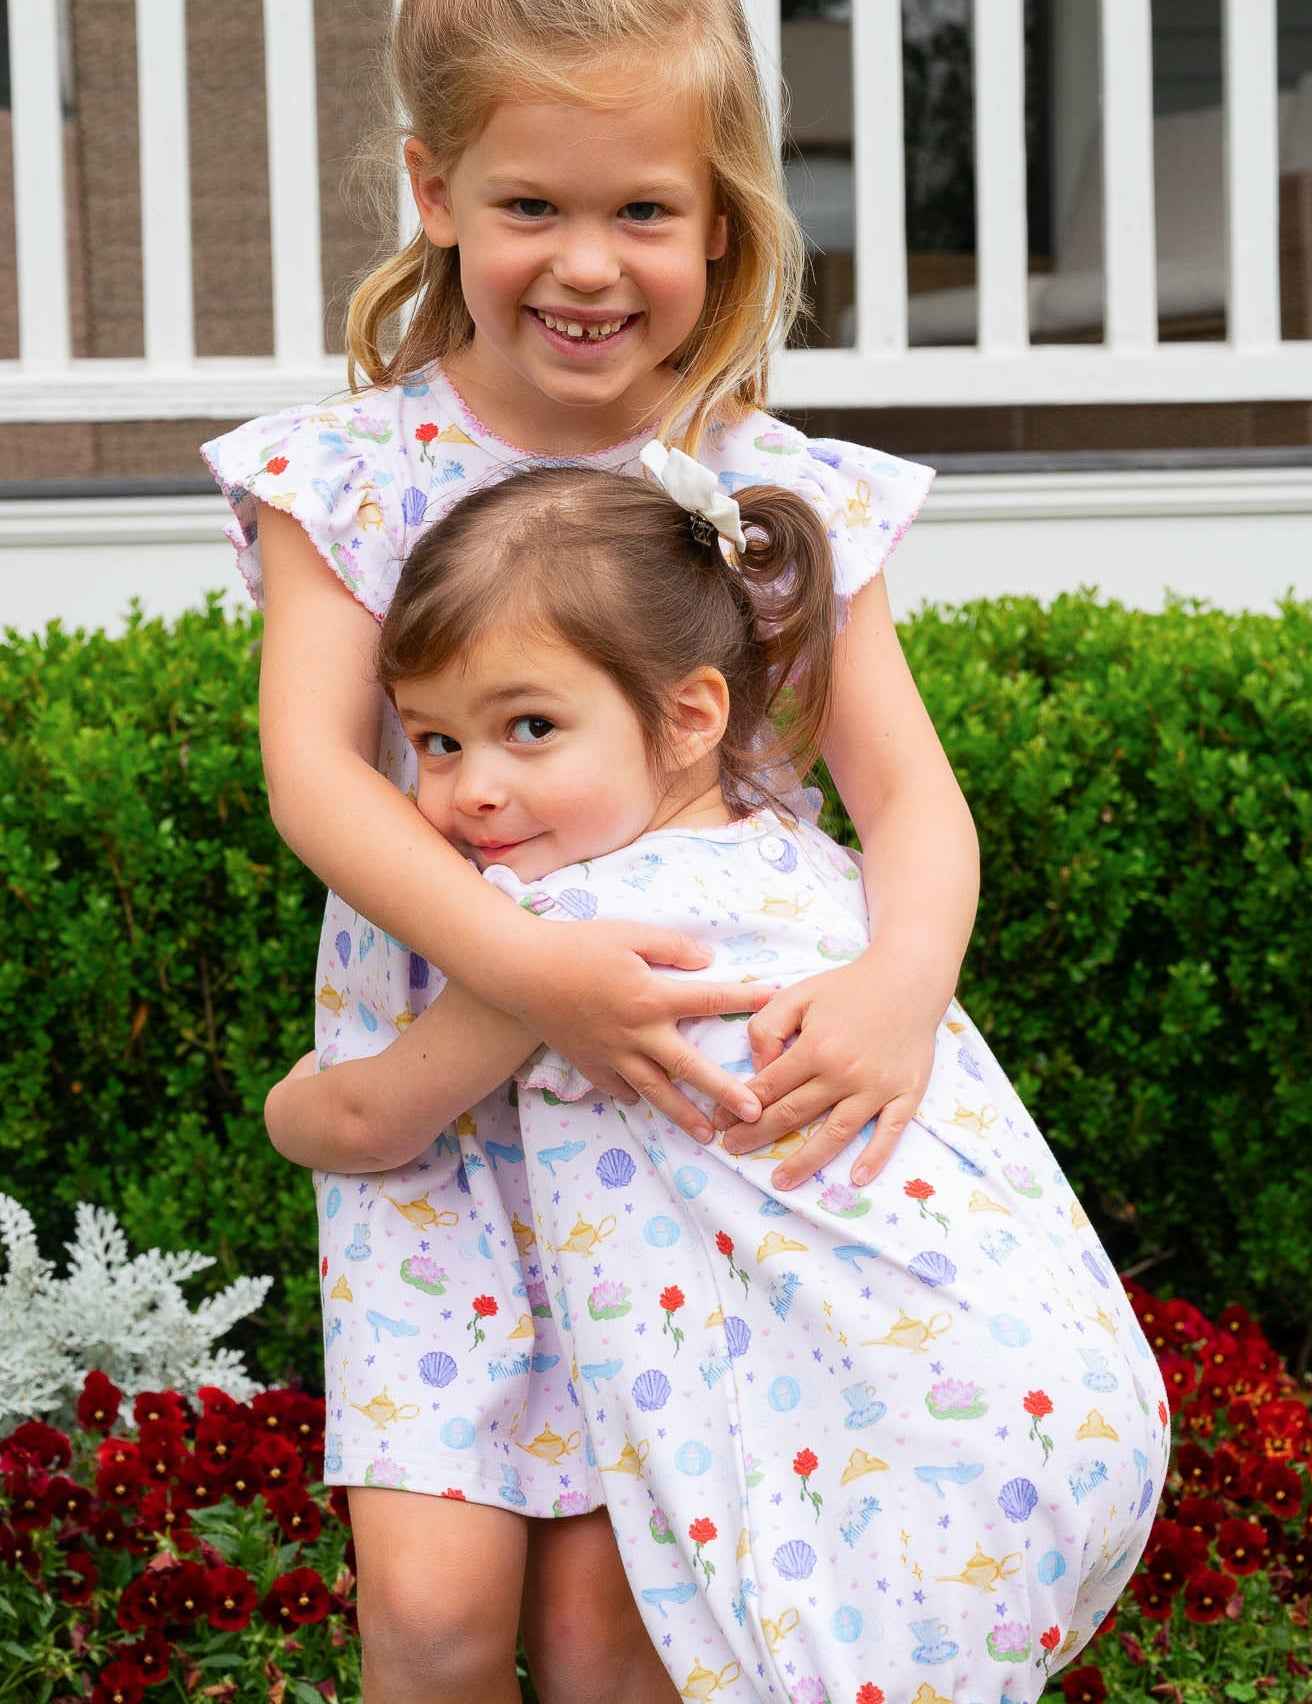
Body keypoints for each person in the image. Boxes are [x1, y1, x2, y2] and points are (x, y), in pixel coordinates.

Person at [203, 2, 978, 1696]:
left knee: (615, 1625)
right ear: (435, 193)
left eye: (641, 210)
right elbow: (316, 776)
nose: (585, 262)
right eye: (529, 206)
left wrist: (900, 986)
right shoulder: (350, 474)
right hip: (438, 1112)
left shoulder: (764, 486)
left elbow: (910, 798)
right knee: (434, 1614)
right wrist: (528, 969)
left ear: (721, 223)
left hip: (683, 1133)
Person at [265, 450, 1169, 1704]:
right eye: (433, 742)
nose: (474, 790)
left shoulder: (577, 933)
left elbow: (357, 1118)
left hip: (908, 1433)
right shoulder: (809, 872)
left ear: (692, 716)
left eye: (529, 728)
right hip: (1056, 1384)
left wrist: (286, 1101)